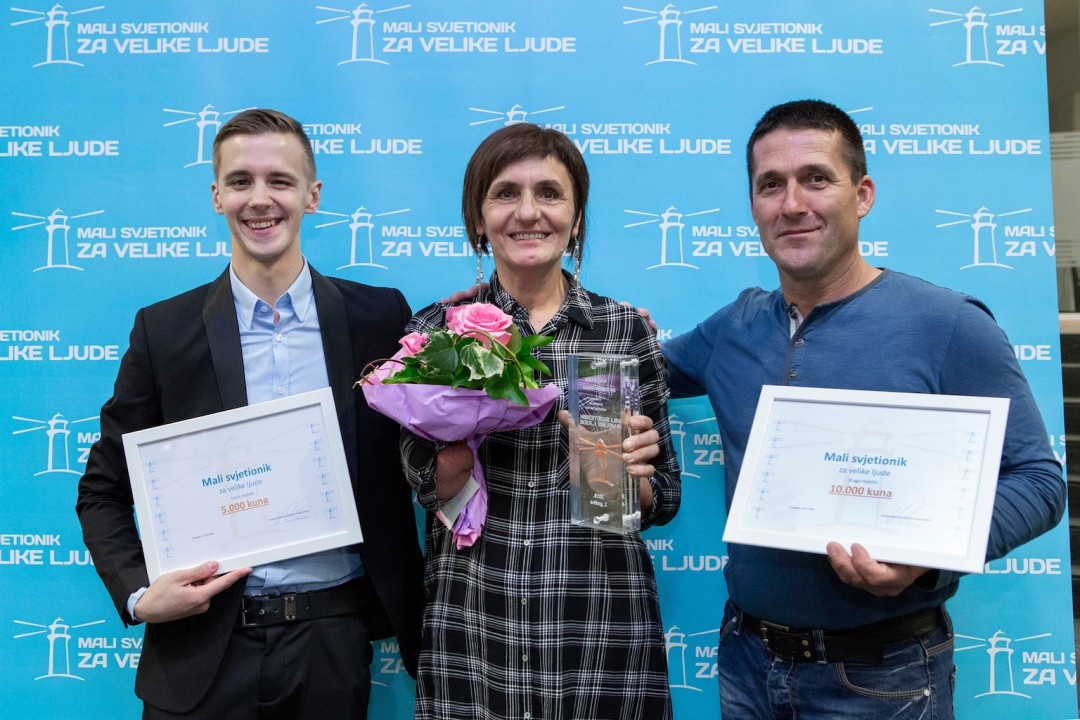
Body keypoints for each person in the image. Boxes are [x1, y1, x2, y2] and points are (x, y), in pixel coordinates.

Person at [660, 99, 1067, 719]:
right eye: (771, 185)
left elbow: (1038, 481)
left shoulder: (949, 325)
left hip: (884, 676)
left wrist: (927, 554)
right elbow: (621, 367)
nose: (792, 204)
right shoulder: (733, 327)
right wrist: (511, 323)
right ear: (754, 206)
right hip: (747, 663)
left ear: (863, 194)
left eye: (816, 179)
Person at [76, 108, 424, 719]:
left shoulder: (380, 318)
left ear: (312, 195)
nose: (259, 199)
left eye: (280, 181)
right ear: (217, 196)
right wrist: (137, 594)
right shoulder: (164, 331)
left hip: (331, 647)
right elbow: (102, 489)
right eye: (240, 181)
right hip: (199, 653)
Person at [399, 123, 682, 720]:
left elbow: (654, 501)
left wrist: (627, 469)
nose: (528, 212)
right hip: (476, 629)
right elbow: (429, 487)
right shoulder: (436, 334)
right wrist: (463, 424)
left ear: (576, 219)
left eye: (549, 193)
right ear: (478, 219)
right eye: (506, 193)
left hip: (599, 632)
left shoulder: (621, 331)